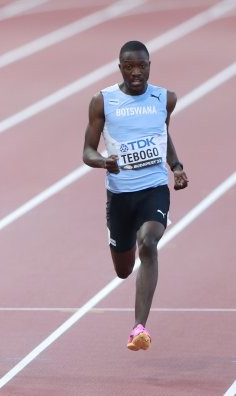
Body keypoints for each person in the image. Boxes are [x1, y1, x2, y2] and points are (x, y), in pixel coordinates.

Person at [83, 40, 189, 351]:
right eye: (129, 66)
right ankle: (120, 240)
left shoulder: (164, 98)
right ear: (120, 68)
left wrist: (176, 166)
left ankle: (139, 328)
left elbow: (162, 133)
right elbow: (87, 150)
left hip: (153, 188)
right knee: (123, 270)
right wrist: (104, 161)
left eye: (141, 65)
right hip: (120, 195)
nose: (136, 72)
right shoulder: (102, 101)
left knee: (149, 243)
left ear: (149, 66)